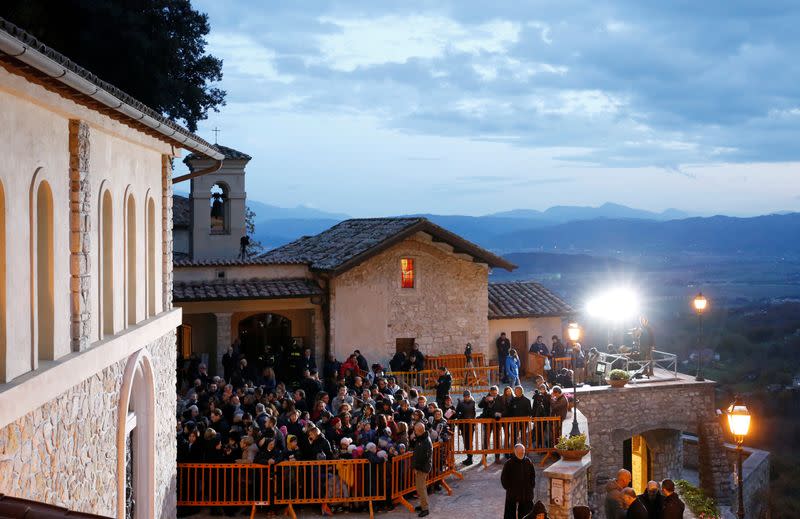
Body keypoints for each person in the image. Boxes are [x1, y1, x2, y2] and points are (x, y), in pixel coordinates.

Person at [501, 443, 536, 519]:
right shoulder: (509, 463)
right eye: (520, 452)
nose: (522, 454)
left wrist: (531, 486)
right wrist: (508, 487)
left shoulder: (528, 462)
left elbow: (532, 475)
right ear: (515, 452)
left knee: (526, 513)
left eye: (523, 452)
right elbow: (504, 478)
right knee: (510, 513)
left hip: (526, 492)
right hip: (513, 492)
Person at [412, 422, 432, 517]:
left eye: (415, 430)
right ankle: (423, 504)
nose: (414, 432)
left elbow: (423, 458)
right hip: (422, 467)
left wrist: (417, 468)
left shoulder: (425, 441)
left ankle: (425, 508)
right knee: (420, 488)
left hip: (422, 468)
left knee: (421, 488)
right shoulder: (421, 439)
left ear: (419, 431)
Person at [454, 389, 476, 465]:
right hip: (463, 425)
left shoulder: (472, 402)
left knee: (469, 441)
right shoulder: (460, 403)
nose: (467, 397)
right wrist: (459, 415)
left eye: (468, 396)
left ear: (470, 396)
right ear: (464, 397)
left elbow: (473, 413)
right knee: (465, 441)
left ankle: (470, 457)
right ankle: (469, 457)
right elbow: (457, 413)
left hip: (470, 424)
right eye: (465, 396)